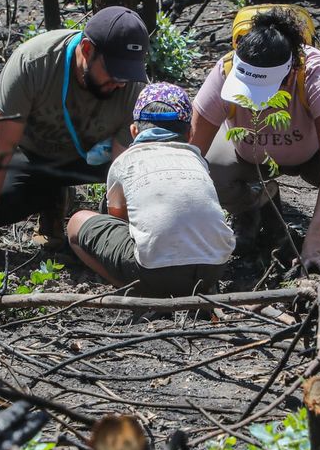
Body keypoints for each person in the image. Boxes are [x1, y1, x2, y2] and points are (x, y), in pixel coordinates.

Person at [190, 7, 320, 275]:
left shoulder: (315, 73)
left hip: (314, 151)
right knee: (211, 172)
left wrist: (314, 239)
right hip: (250, 153)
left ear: (290, 71)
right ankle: (253, 206)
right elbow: (190, 153)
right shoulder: (224, 71)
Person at [0, 6, 148, 270]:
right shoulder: (33, 64)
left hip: (96, 160)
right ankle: (52, 199)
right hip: (37, 157)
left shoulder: (134, 87)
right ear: (88, 49)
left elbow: (126, 169)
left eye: (127, 74)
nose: (121, 83)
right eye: (114, 72)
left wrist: (119, 236)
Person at [66, 83, 235, 297]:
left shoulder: (125, 161)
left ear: (134, 131)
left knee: (76, 223)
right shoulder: (197, 160)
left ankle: (138, 291)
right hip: (213, 269)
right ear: (190, 133)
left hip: (155, 273)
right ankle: (191, 288)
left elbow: (119, 221)